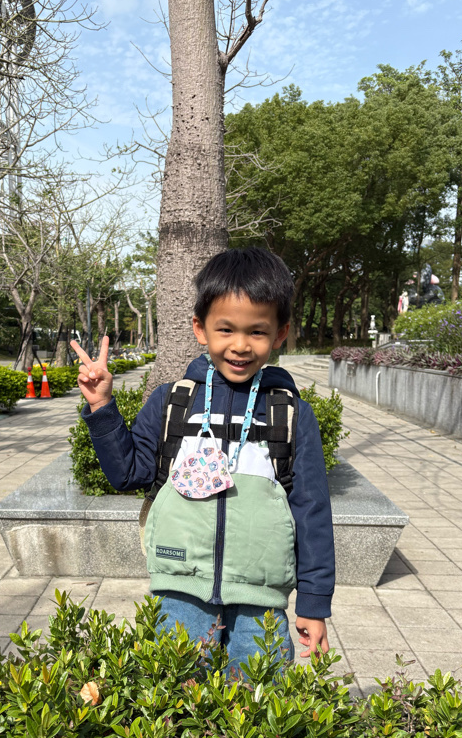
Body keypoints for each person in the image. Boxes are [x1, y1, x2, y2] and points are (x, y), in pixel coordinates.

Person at [70, 247, 334, 675]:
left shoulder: (290, 415)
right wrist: (102, 408)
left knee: (258, 697)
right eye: (225, 329)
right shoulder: (172, 402)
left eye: (257, 332)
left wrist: (314, 602)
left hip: (261, 596)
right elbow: (128, 473)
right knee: (177, 692)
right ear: (200, 328)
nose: (240, 345)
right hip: (180, 587)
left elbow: (312, 511)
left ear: (280, 334)